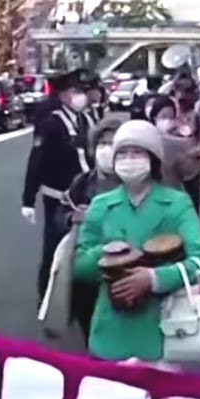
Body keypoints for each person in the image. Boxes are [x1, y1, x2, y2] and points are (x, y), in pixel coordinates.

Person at [74, 120, 200, 363]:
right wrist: (106, 254)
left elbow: (199, 262)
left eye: (137, 153)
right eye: (123, 154)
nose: (129, 160)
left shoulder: (176, 204)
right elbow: (80, 267)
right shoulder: (100, 206)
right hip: (109, 332)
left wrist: (153, 279)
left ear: (153, 159)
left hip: (163, 330)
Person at [22, 69, 93, 300]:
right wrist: (28, 200)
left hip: (86, 198)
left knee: (83, 250)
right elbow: (37, 161)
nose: (80, 96)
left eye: (82, 91)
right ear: (63, 95)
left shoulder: (84, 119)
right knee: (54, 250)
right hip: (59, 198)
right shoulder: (51, 124)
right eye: (75, 92)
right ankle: (46, 300)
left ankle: (75, 299)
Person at [57, 115, 126, 341]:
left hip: (124, 272)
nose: (106, 150)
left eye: (113, 144)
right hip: (87, 273)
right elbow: (59, 215)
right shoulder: (83, 182)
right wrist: (72, 218)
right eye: (102, 143)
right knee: (91, 332)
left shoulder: (136, 184)